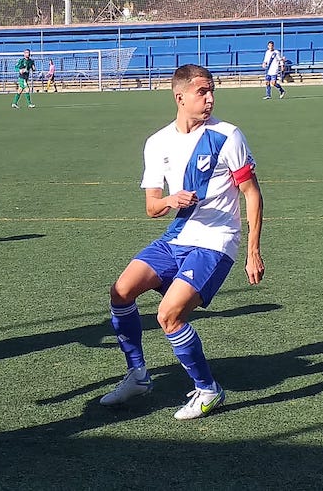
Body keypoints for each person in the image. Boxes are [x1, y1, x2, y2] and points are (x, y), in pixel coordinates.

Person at [99, 64, 264, 420]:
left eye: (211, 91)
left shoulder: (228, 135)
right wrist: (171, 201)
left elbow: (251, 193)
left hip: (216, 241)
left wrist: (252, 251)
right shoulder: (157, 143)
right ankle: (138, 375)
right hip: (177, 235)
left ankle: (208, 389)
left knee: (168, 315)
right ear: (180, 97)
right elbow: (152, 208)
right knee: (121, 291)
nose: (210, 98)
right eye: (202, 92)